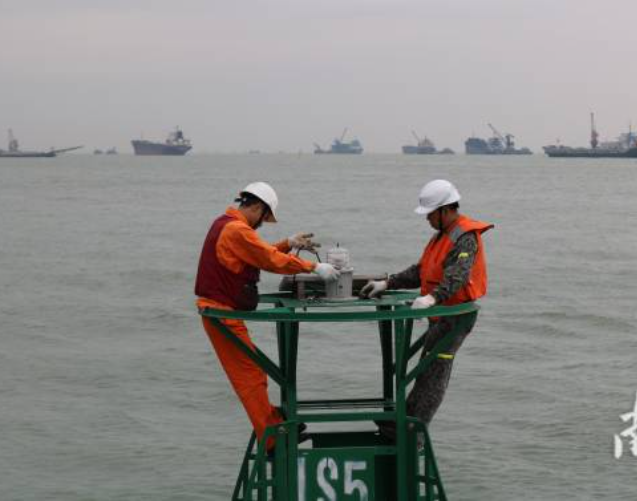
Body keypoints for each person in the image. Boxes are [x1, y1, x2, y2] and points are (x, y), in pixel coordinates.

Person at [195, 182, 340, 452]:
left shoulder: (227, 225)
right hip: (220, 313)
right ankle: (272, 438)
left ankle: (274, 423)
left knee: (253, 373)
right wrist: (314, 266)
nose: (261, 223)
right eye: (263, 217)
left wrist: (288, 244)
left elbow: (258, 254)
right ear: (258, 208)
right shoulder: (237, 230)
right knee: (250, 376)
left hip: (220, 311)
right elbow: (268, 259)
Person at [360, 179, 493, 438]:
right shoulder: (441, 237)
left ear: (445, 210)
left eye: (431, 214)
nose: (427, 219)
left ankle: (414, 431)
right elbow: (421, 271)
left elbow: (458, 275)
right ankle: (405, 420)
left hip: (455, 316)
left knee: (435, 371)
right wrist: (388, 283)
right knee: (425, 369)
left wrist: (433, 298)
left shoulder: (465, 237)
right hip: (440, 314)